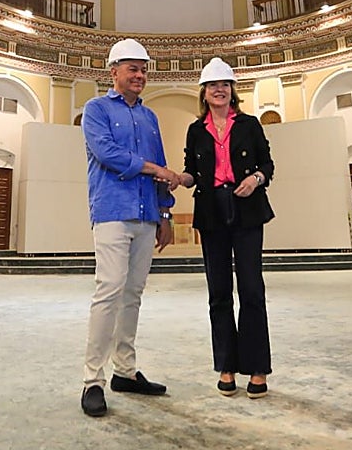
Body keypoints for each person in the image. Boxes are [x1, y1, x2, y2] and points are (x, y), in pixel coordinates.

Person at [80, 38, 182, 417]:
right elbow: (107, 153)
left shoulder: (150, 117)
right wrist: (158, 170)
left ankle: (125, 371)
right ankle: (93, 380)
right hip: (111, 211)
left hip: (145, 214)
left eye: (143, 69)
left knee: (133, 293)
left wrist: (166, 214)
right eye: (132, 69)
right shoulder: (96, 109)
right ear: (114, 72)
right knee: (108, 290)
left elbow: (161, 161)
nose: (140, 75)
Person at [177, 57, 275, 398]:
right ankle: (226, 366)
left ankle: (258, 368)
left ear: (232, 91)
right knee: (218, 292)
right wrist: (179, 179)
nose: (219, 90)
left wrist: (256, 178)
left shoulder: (249, 124)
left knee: (251, 289)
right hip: (211, 211)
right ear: (203, 93)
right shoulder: (195, 130)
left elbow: (267, 163)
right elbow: (192, 171)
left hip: (247, 208)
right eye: (213, 85)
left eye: (225, 85)